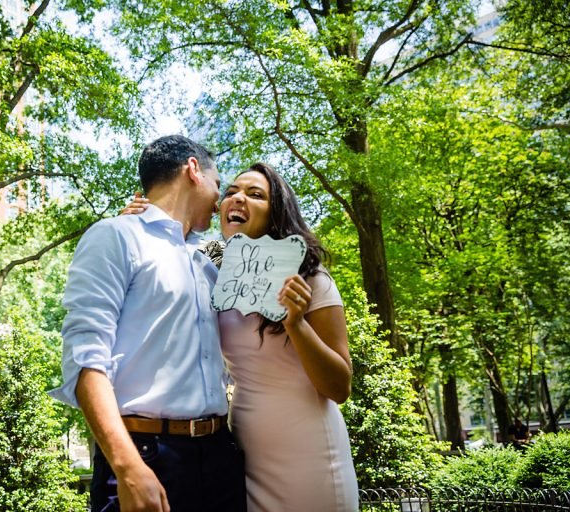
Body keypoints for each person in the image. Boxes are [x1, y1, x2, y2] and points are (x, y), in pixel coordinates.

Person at [124, 162, 359, 511]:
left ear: (276, 212)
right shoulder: (210, 267)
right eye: (231, 191)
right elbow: (162, 257)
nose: (236, 199)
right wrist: (137, 223)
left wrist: (296, 324)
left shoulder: (309, 277)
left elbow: (340, 387)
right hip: (241, 449)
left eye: (255, 194)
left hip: (307, 451)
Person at [52, 135, 247, 512]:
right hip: (145, 455)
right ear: (193, 170)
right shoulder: (115, 235)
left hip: (220, 455)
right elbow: (85, 358)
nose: (220, 199)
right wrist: (127, 466)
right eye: (218, 185)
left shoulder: (208, 260)